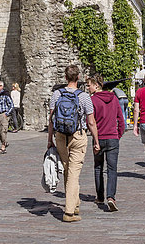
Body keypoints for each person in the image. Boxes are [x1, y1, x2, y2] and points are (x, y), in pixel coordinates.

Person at [48, 64, 99, 223]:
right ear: (78, 78)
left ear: (65, 77)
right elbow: (91, 122)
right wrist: (96, 141)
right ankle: (69, 212)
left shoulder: (57, 94)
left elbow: (51, 120)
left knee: (68, 169)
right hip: (78, 135)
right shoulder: (84, 97)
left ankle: (75, 203)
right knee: (73, 173)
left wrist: (50, 139)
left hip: (61, 136)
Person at [87, 75, 124, 211]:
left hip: (99, 138)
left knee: (98, 167)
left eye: (89, 84)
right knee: (112, 169)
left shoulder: (92, 100)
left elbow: (90, 122)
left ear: (97, 85)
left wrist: (95, 139)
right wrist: (118, 135)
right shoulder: (114, 98)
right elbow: (121, 119)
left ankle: (100, 196)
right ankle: (111, 197)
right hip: (113, 137)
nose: (88, 87)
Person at [0, 80, 13, 154]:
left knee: (3, 131)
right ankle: (5, 142)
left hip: (3, 114)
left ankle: (3, 147)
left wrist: (7, 114)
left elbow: (11, 105)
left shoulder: (6, 95)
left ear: (2, 86)